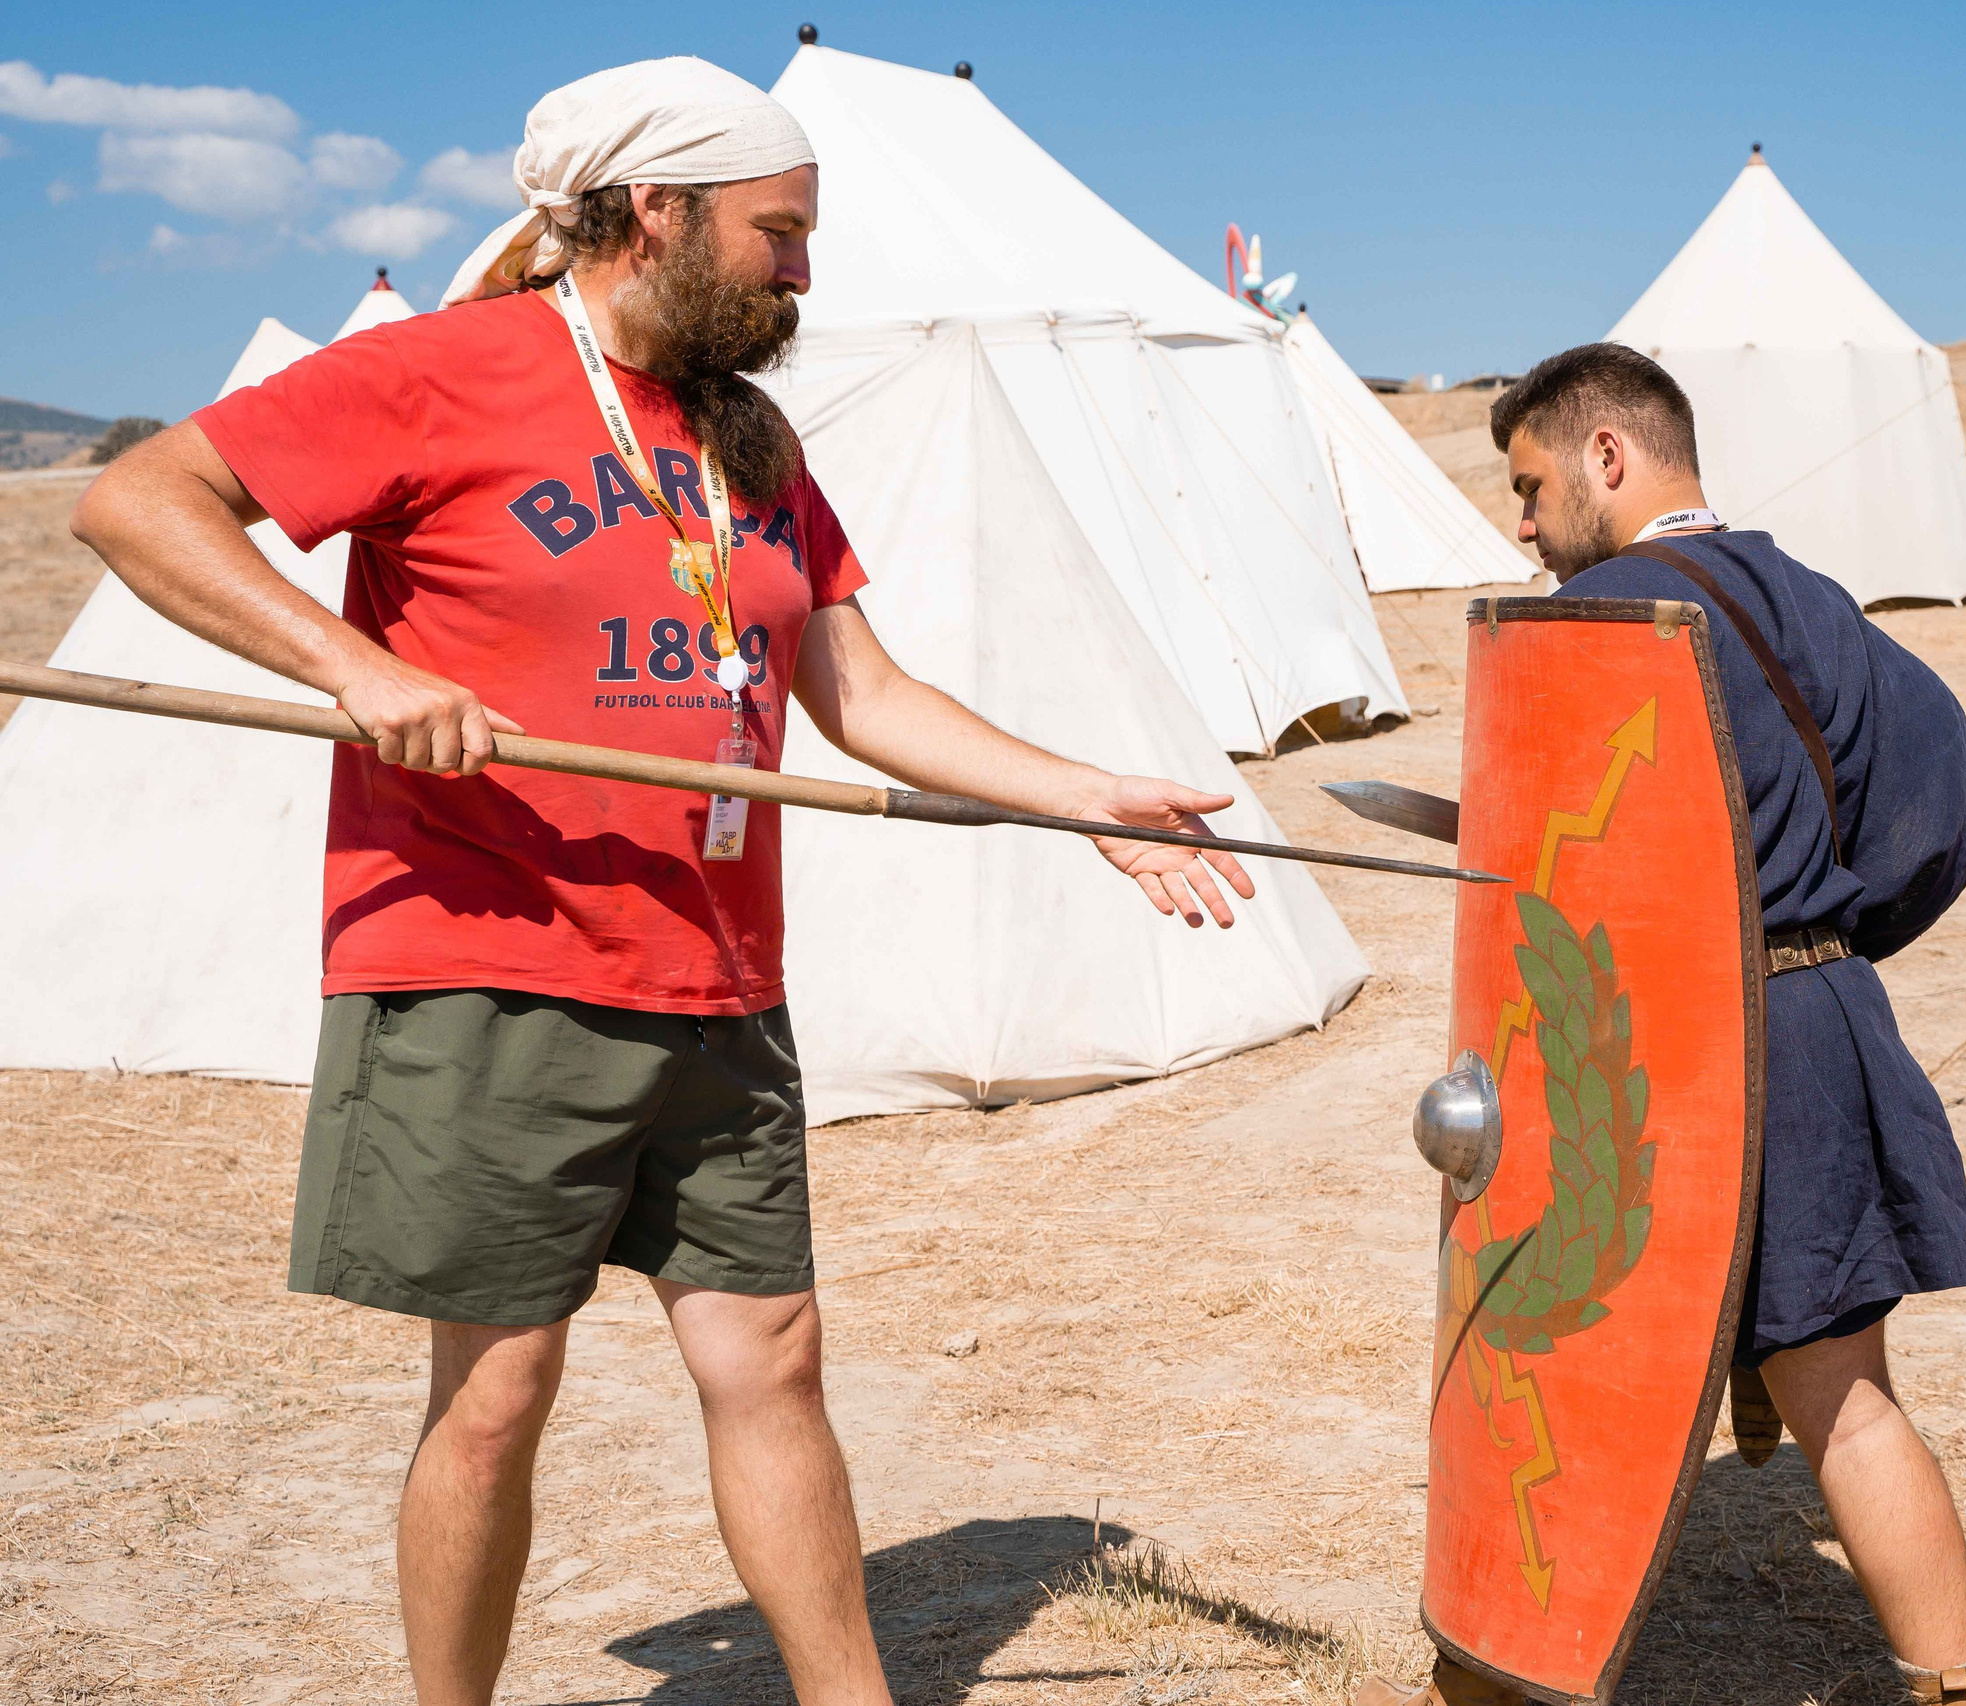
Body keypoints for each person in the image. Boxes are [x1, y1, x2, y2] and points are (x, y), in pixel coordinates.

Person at [70, 57, 1257, 1706]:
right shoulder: (434, 374)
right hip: (493, 963)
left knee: (773, 1360)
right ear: (655, 212)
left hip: (717, 976)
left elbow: (869, 696)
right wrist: (350, 666)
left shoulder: (744, 433)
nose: (806, 273)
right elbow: (137, 501)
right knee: (496, 1393)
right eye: (779, 234)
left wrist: (1088, 799)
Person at [1421, 344, 1966, 1704]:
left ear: (1607, 458)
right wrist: (1827, 930)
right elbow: (1949, 795)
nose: (1521, 522)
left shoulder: (1600, 619)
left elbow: (1567, 900)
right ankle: (1961, 1690)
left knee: (1564, 1365)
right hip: (1815, 1021)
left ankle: (1492, 1666)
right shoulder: (1811, 598)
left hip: (1674, 1050)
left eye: (1529, 485)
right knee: (1848, 1401)